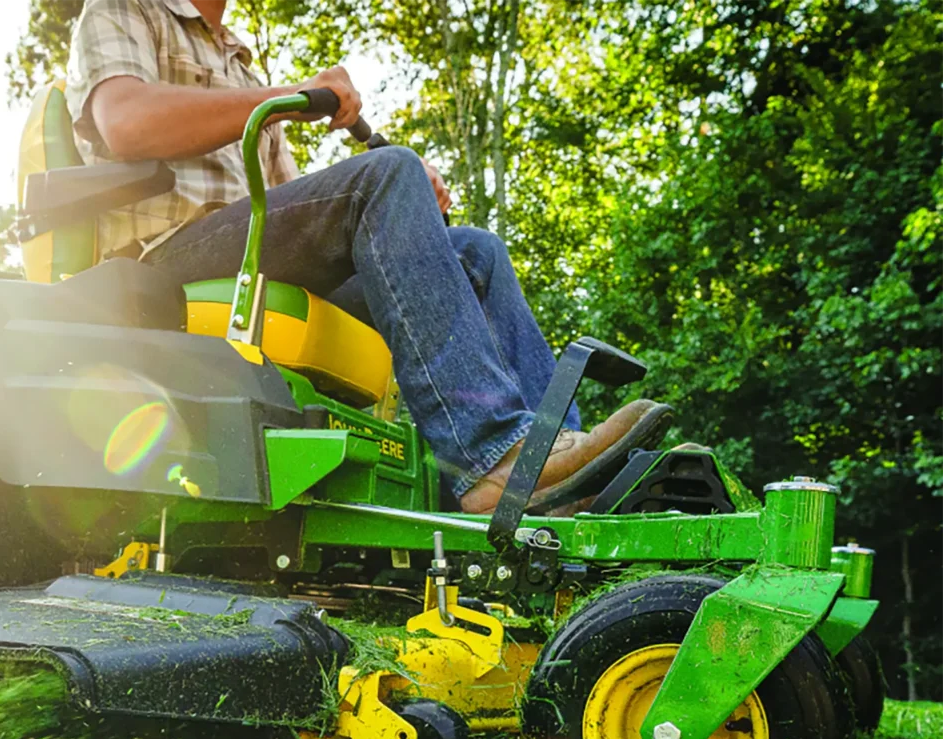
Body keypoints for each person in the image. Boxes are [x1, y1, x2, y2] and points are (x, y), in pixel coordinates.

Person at [65, 0, 672, 514]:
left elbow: (299, 207)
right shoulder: (124, 7)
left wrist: (409, 217)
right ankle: (491, 456)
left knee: (471, 250)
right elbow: (126, 122)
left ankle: (557, 472)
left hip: (254, 247)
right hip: (167, 257)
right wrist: (309, 108)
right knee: (386, 174)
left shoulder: (238, 60)